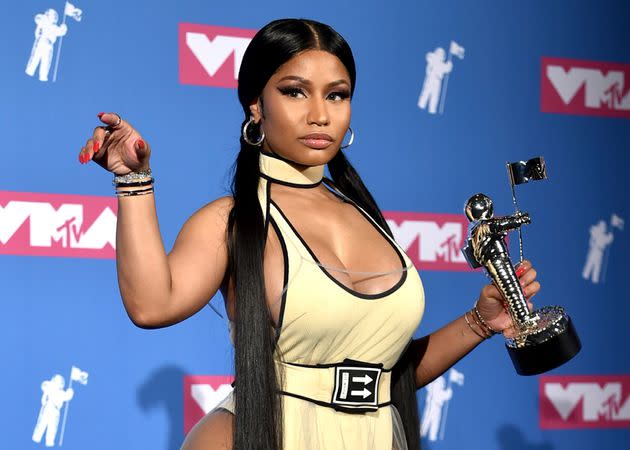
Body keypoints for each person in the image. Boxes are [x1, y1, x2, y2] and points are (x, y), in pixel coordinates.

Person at [77, 18, 540, 450]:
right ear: (256, 105)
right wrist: (132, 180)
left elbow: (385, 377)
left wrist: (480, 322)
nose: (320, 114)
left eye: (336, 95)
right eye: (296, 92)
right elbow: (152, 305)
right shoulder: (233, 219)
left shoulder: (368, 216)